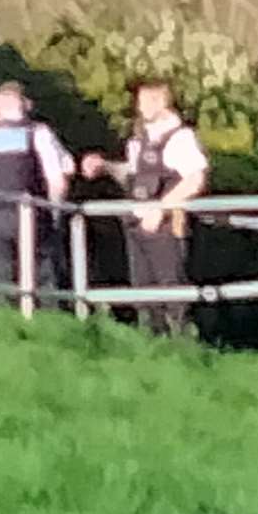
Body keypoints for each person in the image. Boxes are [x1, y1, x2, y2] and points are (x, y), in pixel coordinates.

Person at [81, 77, 209, 333]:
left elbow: (196, 179)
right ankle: (151, 347)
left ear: (162, 101)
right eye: (140, 99)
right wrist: (104, 166)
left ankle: (181, 347)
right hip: (137, 224)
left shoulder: (180, 138)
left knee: (172, 291)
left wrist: (161, 208)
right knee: (143, 293)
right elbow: (133, 175)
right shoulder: (139, 141)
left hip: (166, 226)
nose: (141, 105)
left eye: (147, 99)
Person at [0, 81, 70, 298]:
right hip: (33, 212)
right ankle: (50, 321)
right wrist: (54, 213)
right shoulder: (38, 132)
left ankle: (4, 323)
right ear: (27, 104)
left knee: (0, 274)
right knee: (42, 274)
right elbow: (56, 180)